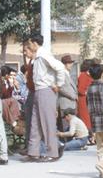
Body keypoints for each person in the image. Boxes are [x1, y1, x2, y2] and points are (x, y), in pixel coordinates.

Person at [24, 34, 68, 162]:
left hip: (46, 90)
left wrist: (58, 85)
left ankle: (52, 153)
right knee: (35, 123)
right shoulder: (37, 56)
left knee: (48, 123)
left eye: (30, 43)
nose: (30, 46)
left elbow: (59, 67)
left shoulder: (43, 55)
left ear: (34, 43)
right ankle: (33, 152)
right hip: (39, 91)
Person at [57, 55, 78, 120]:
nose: (71, 65)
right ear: (64, 64)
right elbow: (61, 88)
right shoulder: (62, 73)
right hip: (65, 104)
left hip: (71, 104)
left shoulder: (67, 74)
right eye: (69, 63)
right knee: (65, 126)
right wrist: (72, 96)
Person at [76, 59, 94, 135]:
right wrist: (88, 92)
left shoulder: (87, 75)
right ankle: (88, 135)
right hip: (83, 100)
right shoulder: (83, 75)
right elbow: (80, 89)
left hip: (87, 100)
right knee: (85, 118)